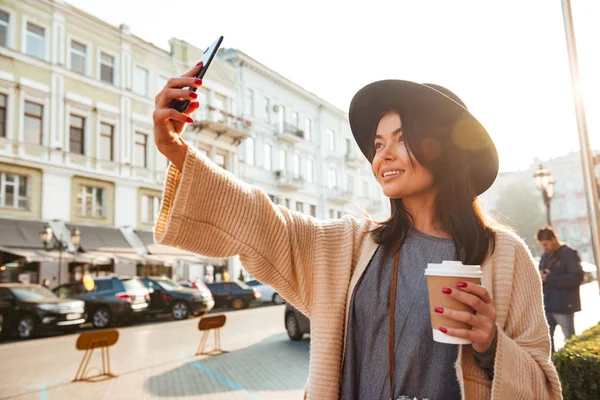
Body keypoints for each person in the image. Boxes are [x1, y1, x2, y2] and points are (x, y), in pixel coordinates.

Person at [151, 64, 561, 399]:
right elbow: (260, 219)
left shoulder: (504, 256)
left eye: (403, 140)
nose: (385, 155)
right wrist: (176, 150)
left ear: (445, 151)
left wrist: (491, 345)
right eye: (379, 144)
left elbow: (543, 386)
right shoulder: (350, 245)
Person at [537, 226, 584, 353]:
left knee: (570, 342)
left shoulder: (569, 254)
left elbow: (576, 278)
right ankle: (553, 368)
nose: (545, 247)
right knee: (546, 341)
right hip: (548, 305)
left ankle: (571, 368)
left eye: (546, 244)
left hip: (564, 305)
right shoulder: (545, 256)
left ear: (553, 239)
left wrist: (550, 277)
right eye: (542, 245)